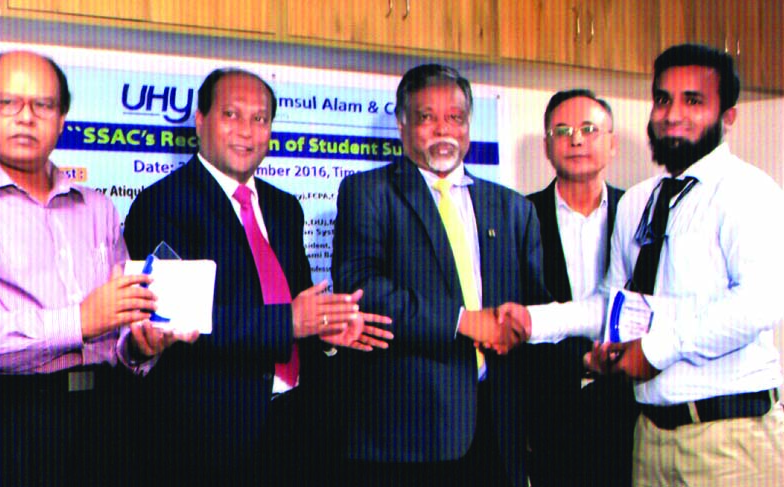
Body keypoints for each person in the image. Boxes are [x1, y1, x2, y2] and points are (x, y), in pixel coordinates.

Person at [500, 43, 784, 487]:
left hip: (732, 439)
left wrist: (653, 352)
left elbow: (759, 303)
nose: (673, 114)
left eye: (694, 100)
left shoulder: (748, 192)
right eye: (663, 99)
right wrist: (533, 321)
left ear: (728, 116)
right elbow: (612, 302)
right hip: (649, 438)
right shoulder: (638, 202)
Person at [0, 51, 186, 487]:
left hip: (103, 417)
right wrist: (77, 321)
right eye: (8, 103)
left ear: (62, 118)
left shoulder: (97, 207)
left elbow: (118, 332)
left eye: (42, 105)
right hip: (1, 425)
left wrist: (141, 345)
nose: (25, 117)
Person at [122, 67, 392, 487]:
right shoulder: (162, 204)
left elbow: (299, 299)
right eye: (231, 114)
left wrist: (325, 329)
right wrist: (290, 321)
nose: (246, 131)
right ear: (200, 121)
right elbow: (179, 321)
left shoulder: (284, 207)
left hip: (295, 423)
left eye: (260, 119)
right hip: (210, 440)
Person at [330, 63, 551, 487]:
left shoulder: (513, 209)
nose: (442, 129)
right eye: (427, 117)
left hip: (497, 427)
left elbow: (533, 309)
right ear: (402, 123)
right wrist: (463, 320)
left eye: (455, 117)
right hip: (409, 434)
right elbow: (363, 289)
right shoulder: (368, 193)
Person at [525, 89, 636, 487]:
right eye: (563, 130)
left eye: (589, 129)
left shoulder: (640, 215)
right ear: (546, 146)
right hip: (551, 414)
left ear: (612, 143)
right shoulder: (519, 216)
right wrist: (581, 361)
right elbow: (515, 316)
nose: (576, 139)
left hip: (635, 408)